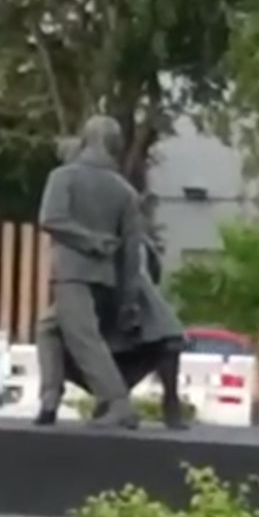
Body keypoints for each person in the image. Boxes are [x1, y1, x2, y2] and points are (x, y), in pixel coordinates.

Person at [33, 115, 141, 429]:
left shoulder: (63, 177)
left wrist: (90, 241)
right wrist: (129, 300)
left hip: (71, 273)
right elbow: (131, 253)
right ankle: (50, 396)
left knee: (83, 338)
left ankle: (118, 402)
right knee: (48, 328)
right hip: (105, 279)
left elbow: (51, 218)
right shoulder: (125, 191)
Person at [63, 237, 189, 429]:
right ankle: (112, 400)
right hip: (99, 306)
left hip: (134, 303)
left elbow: (150, 271)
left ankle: (168, 402)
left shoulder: (135, 248)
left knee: (169, 340)